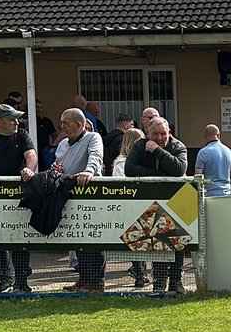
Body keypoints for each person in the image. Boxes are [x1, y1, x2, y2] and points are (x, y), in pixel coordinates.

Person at [125, 117, 188, 293]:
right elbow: (129, 170)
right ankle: (159, 282)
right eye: (155, 134)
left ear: (169, 133)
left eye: (163, 134)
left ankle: (176, 282)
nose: (159, 137)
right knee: (156, 242)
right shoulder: (139, 145)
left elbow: (179, 169)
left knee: (176, 240)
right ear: (147, 133)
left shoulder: (178, 146)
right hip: (150, 201)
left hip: (176, 200)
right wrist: (159, 174)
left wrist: (158, 151)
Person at [52, 108, 106, 292]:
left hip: (90, 196)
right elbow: (60, 165)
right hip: (69, 196)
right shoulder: (62, 145)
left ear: (79, 125)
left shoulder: (93, 138)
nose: (62, 126)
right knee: (77, 238)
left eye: (65, 123)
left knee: (93, 238)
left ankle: (96, 282)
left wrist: (89, 171)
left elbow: (95, 157)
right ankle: (83, 278)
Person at [0, 103, 37, 292]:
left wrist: (29, 168)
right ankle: (4, 277)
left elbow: (31, 154)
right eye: (12, 119)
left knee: (19, 236)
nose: (17, 122)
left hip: (18, 194)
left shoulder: (22, 134)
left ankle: (22, 279)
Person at [111, 128, 148, 287]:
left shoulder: (120, 161)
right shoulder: (123, 162)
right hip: (133, 204)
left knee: (137, 240)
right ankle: (140, 273)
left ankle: (140, 273)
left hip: (132, 204)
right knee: (138, 240)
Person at [195, 125, 231, 196]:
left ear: (205, 137)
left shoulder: (203, 152)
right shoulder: (228, 151)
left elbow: (198, 175)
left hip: (210, 193)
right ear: (219, 136)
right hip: (226, 192)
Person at [35, 100, 56, 168]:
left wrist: (52, 148)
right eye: (36, 107)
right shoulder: (27, 121)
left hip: (43, 152)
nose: (39, 109)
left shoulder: (47, 121)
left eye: (40, 107)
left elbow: (54, 135)